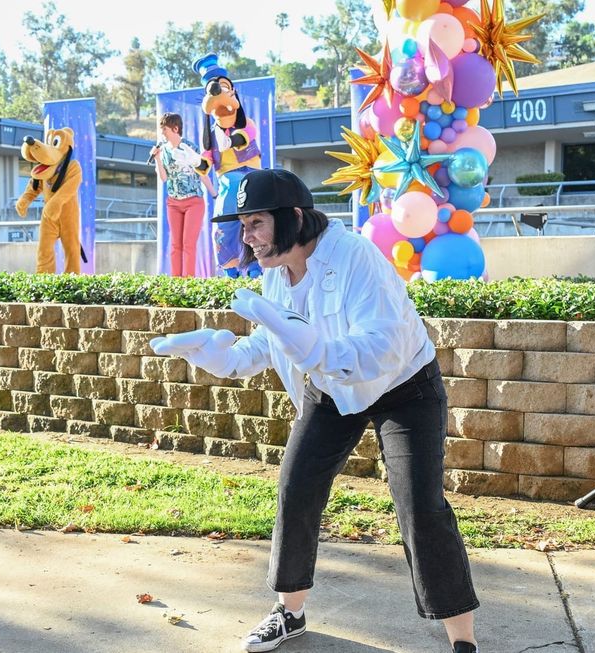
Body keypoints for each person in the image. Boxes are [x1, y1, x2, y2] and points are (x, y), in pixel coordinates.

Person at [149, 168, 479, 653]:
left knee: (420, 506)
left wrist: (309, 346)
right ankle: (290, 612)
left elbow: (378, 350)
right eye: (243, 225)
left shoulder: (356, 258)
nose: (248, 237)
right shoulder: (276, 272)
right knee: (296, 487)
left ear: (294, 218)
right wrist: (220, 357)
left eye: (256, 222)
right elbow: (269, 341)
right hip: (329, 392)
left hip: (404, 387)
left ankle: (462, 640)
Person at [151, 112, 217, 277]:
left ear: (175, 128)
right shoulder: (164, 150)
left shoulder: (190, 147)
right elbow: (164, 178)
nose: (163, 133)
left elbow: (202, 173)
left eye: (165, 129)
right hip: (173, 202)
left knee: (188, 244)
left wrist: (214, 193)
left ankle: (187, 281)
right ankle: (175, 281)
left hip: (193, 201)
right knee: (176, 244)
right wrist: (157, 159)